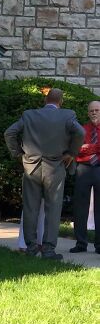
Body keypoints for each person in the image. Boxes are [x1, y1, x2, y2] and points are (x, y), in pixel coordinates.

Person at [4, 87, 84, 259]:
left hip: (31, 166)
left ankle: (31, 247)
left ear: (45, 100)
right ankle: (48, 250)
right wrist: (71, 153)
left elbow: (9, 132)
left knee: (30, 208)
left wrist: (17, 153)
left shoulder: (29, 115)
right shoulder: (67, 115)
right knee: (53, 209)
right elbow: (80, 132)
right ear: (60, 101)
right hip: (55, 168)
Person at [70, 100, 100, 254]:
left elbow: (84, 149)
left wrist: (88, 148)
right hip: (83, 169)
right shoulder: (82, 129)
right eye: (91, 111)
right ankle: (81, 243)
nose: (94, 113)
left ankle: (99, 245)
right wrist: (93, 149)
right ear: (88, 113)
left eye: (97, 110)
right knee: (80, 207)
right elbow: (75, 149)